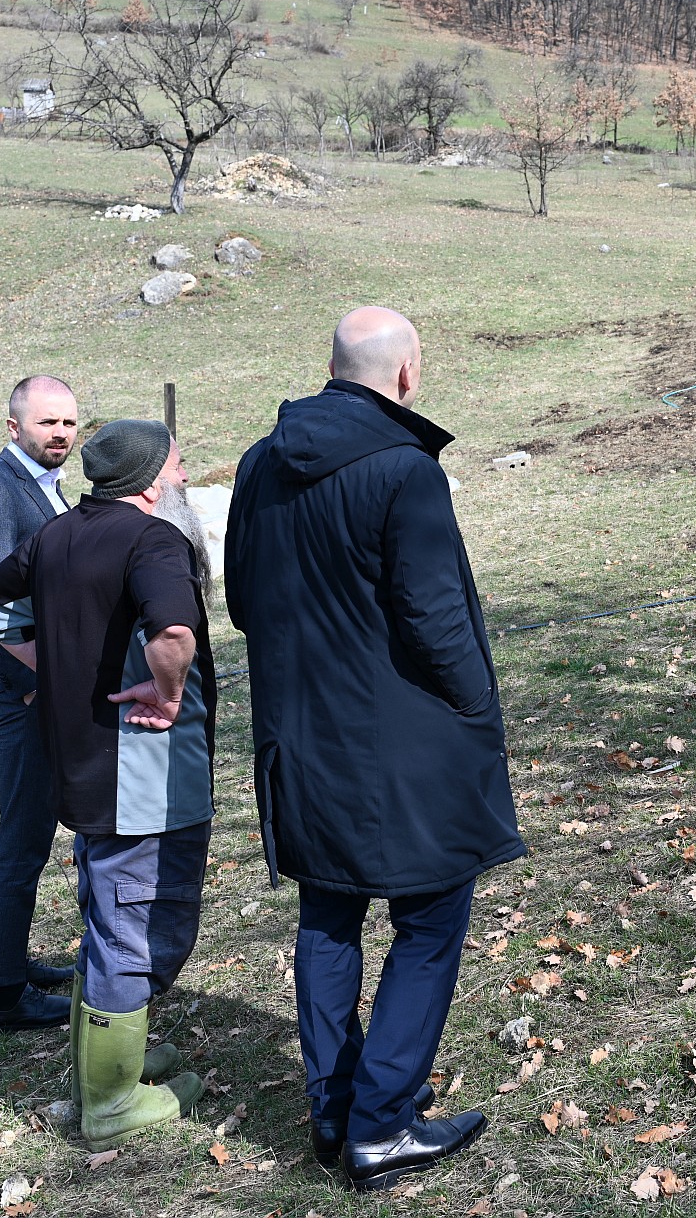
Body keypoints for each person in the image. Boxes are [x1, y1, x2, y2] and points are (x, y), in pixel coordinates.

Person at [225, 306, 525, 1191]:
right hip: (403, 744)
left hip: (301, 736)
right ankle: (382, 1124)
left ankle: (335, 1108)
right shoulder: (404, 471)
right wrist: (478, 707)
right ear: (404, 375)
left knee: (329, 918)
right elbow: (435, 619)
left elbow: (243, 598)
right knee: (429, 923)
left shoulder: (256, 465)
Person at [0, 419, 212, 1150]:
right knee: (137, 923)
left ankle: (110, 1064)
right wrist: (165, 696)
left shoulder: (57, 532)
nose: (179, 479)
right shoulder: (153, 538)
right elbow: (174, 632)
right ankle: (109, 1101)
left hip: (79, 760)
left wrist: (57, 668)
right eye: (175, 468)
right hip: (139, 770)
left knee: (108, 913)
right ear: (149, 481)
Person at [0, 376, 80, 1034]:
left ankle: (14, 963)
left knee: (32, 833)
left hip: (44, 688)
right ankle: (5, 995)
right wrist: (36, 680)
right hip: (21, 691)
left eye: (68, 423)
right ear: (13, 427)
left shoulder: (43, 487)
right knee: (24, 838)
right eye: (46, 423)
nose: (59, 433)